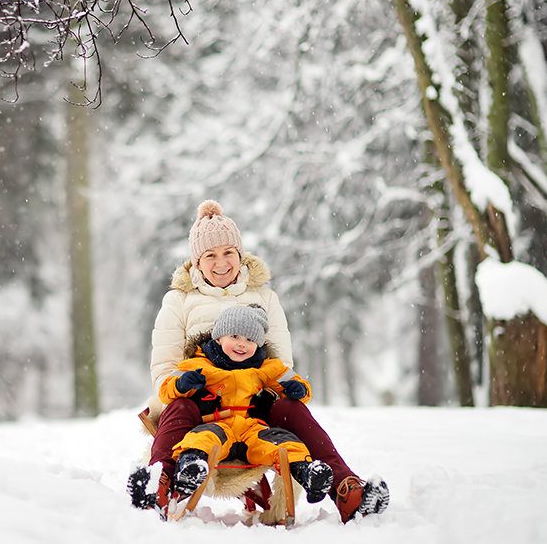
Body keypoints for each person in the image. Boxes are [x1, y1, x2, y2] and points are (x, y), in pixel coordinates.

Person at [127, 200, 389, 523]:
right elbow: (163, 368)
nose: (221, 263)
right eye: (210, 255)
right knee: (178, 408)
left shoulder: (264, 297)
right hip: (201, 404)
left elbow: (281, 360)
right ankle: (158, 484)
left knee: (292, 409)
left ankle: (346, 490)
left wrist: (281, 388)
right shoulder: (178, 301)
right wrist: (182, 385)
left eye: (228, 253)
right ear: (197, 262)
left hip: (254, 404)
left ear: (240, 254)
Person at [157, 304, 333, 511]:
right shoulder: (199, 364)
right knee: (200, 439)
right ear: (218, 337)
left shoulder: (267, 367)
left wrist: (299, 389)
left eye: (250, 340)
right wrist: (181, 384)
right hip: (217, 424)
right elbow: (165, 391)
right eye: (235, 336)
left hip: (252, 429)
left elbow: (297, 382)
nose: (242, 344)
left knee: (285, 443)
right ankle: (190, 469)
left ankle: (307, 474)